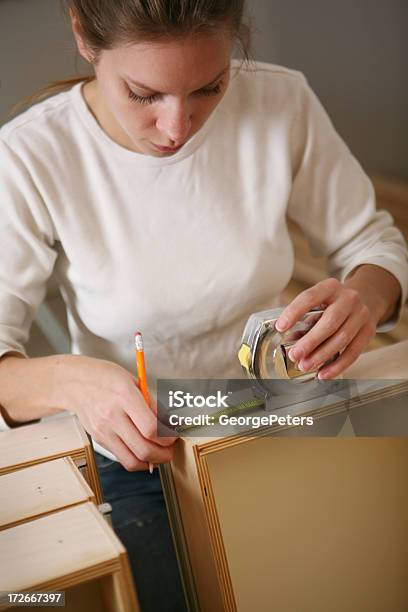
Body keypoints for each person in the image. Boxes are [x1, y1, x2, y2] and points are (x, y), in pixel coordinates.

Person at [0, 1, 407, 610]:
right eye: (143, 95)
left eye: (210, 88)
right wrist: (73, 380)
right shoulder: (31, 154)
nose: (177, 127)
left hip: (280, 415)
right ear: (84, 35)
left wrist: (366, 299)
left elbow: (372, 243)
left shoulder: (281, 101)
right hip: (142, 460)